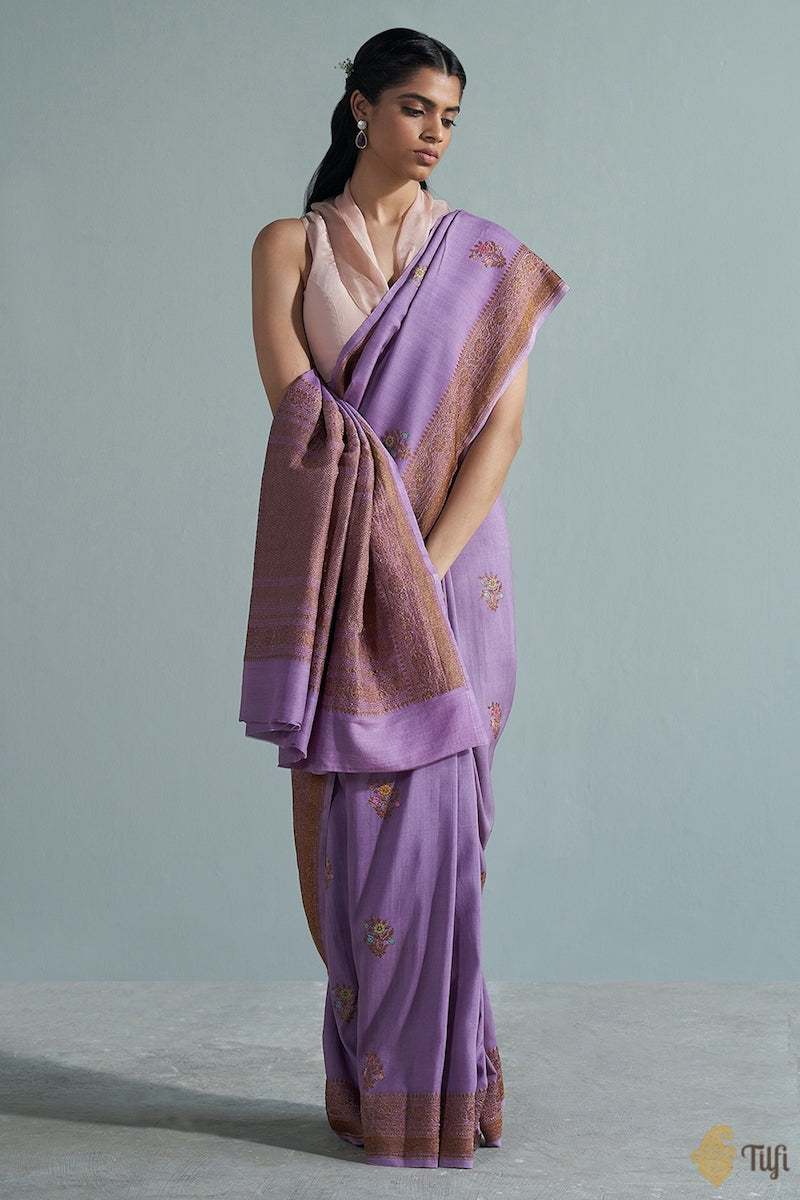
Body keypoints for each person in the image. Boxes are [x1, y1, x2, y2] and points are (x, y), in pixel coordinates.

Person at [239, 28, 568, 1169]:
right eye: (417, 108)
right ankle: (373, 1085)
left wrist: (423, 564)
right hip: (345, 567)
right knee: (350, 836)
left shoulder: (484, 263)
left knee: (440, 840)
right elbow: (302, 418)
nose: (434, 133)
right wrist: (381, 562)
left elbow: (500, 435)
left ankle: (443, 1094)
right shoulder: (288, 247)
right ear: (360, 107)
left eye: (450, 118)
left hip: (454, 573)